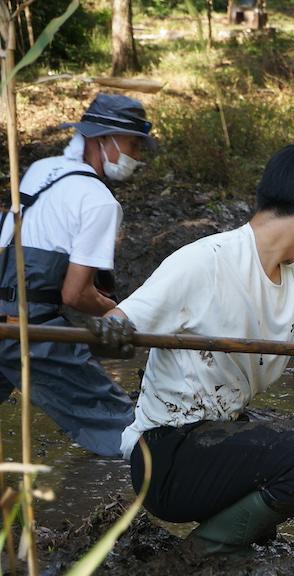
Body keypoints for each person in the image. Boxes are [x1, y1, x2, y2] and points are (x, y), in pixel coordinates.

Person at [94, 144, 294, 555]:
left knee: (285, 453)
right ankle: (196, 554)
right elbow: (124, 321)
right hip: (165, 455)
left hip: (218, 435)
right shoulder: (205, 261)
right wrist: (110, 330)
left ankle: (226, 541)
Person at [0, 93, 155, 458]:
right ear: (104, 139)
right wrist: (118, 316)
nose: (137, 156)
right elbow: (74, 294)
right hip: (29, 330)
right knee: (122, 425)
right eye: (134, 144)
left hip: (5, 318)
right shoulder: (99, 201)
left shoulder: (42, 169)